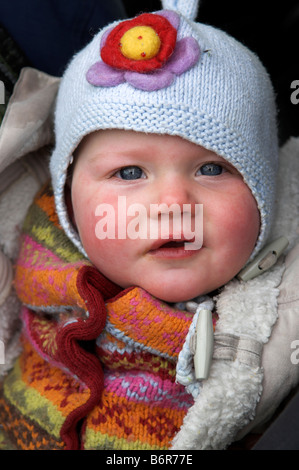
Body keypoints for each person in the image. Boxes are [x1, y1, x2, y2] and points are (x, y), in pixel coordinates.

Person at [0, 0, 299, 451]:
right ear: (69, 198)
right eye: (129, 173)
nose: (173, 204)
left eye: (212, 169)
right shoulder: (27, 240)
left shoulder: (278, 317)